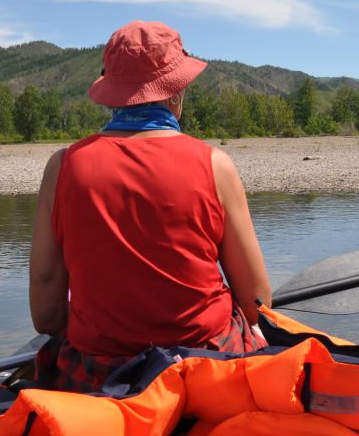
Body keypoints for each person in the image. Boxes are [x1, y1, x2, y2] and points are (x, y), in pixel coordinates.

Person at [29, 20, 271, 392]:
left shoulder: (62, 166)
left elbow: (46, 314)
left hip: (102, 368)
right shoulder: (214, 164)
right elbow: (257, 303)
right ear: (174, 95)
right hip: (204, 359)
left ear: (112, 94)